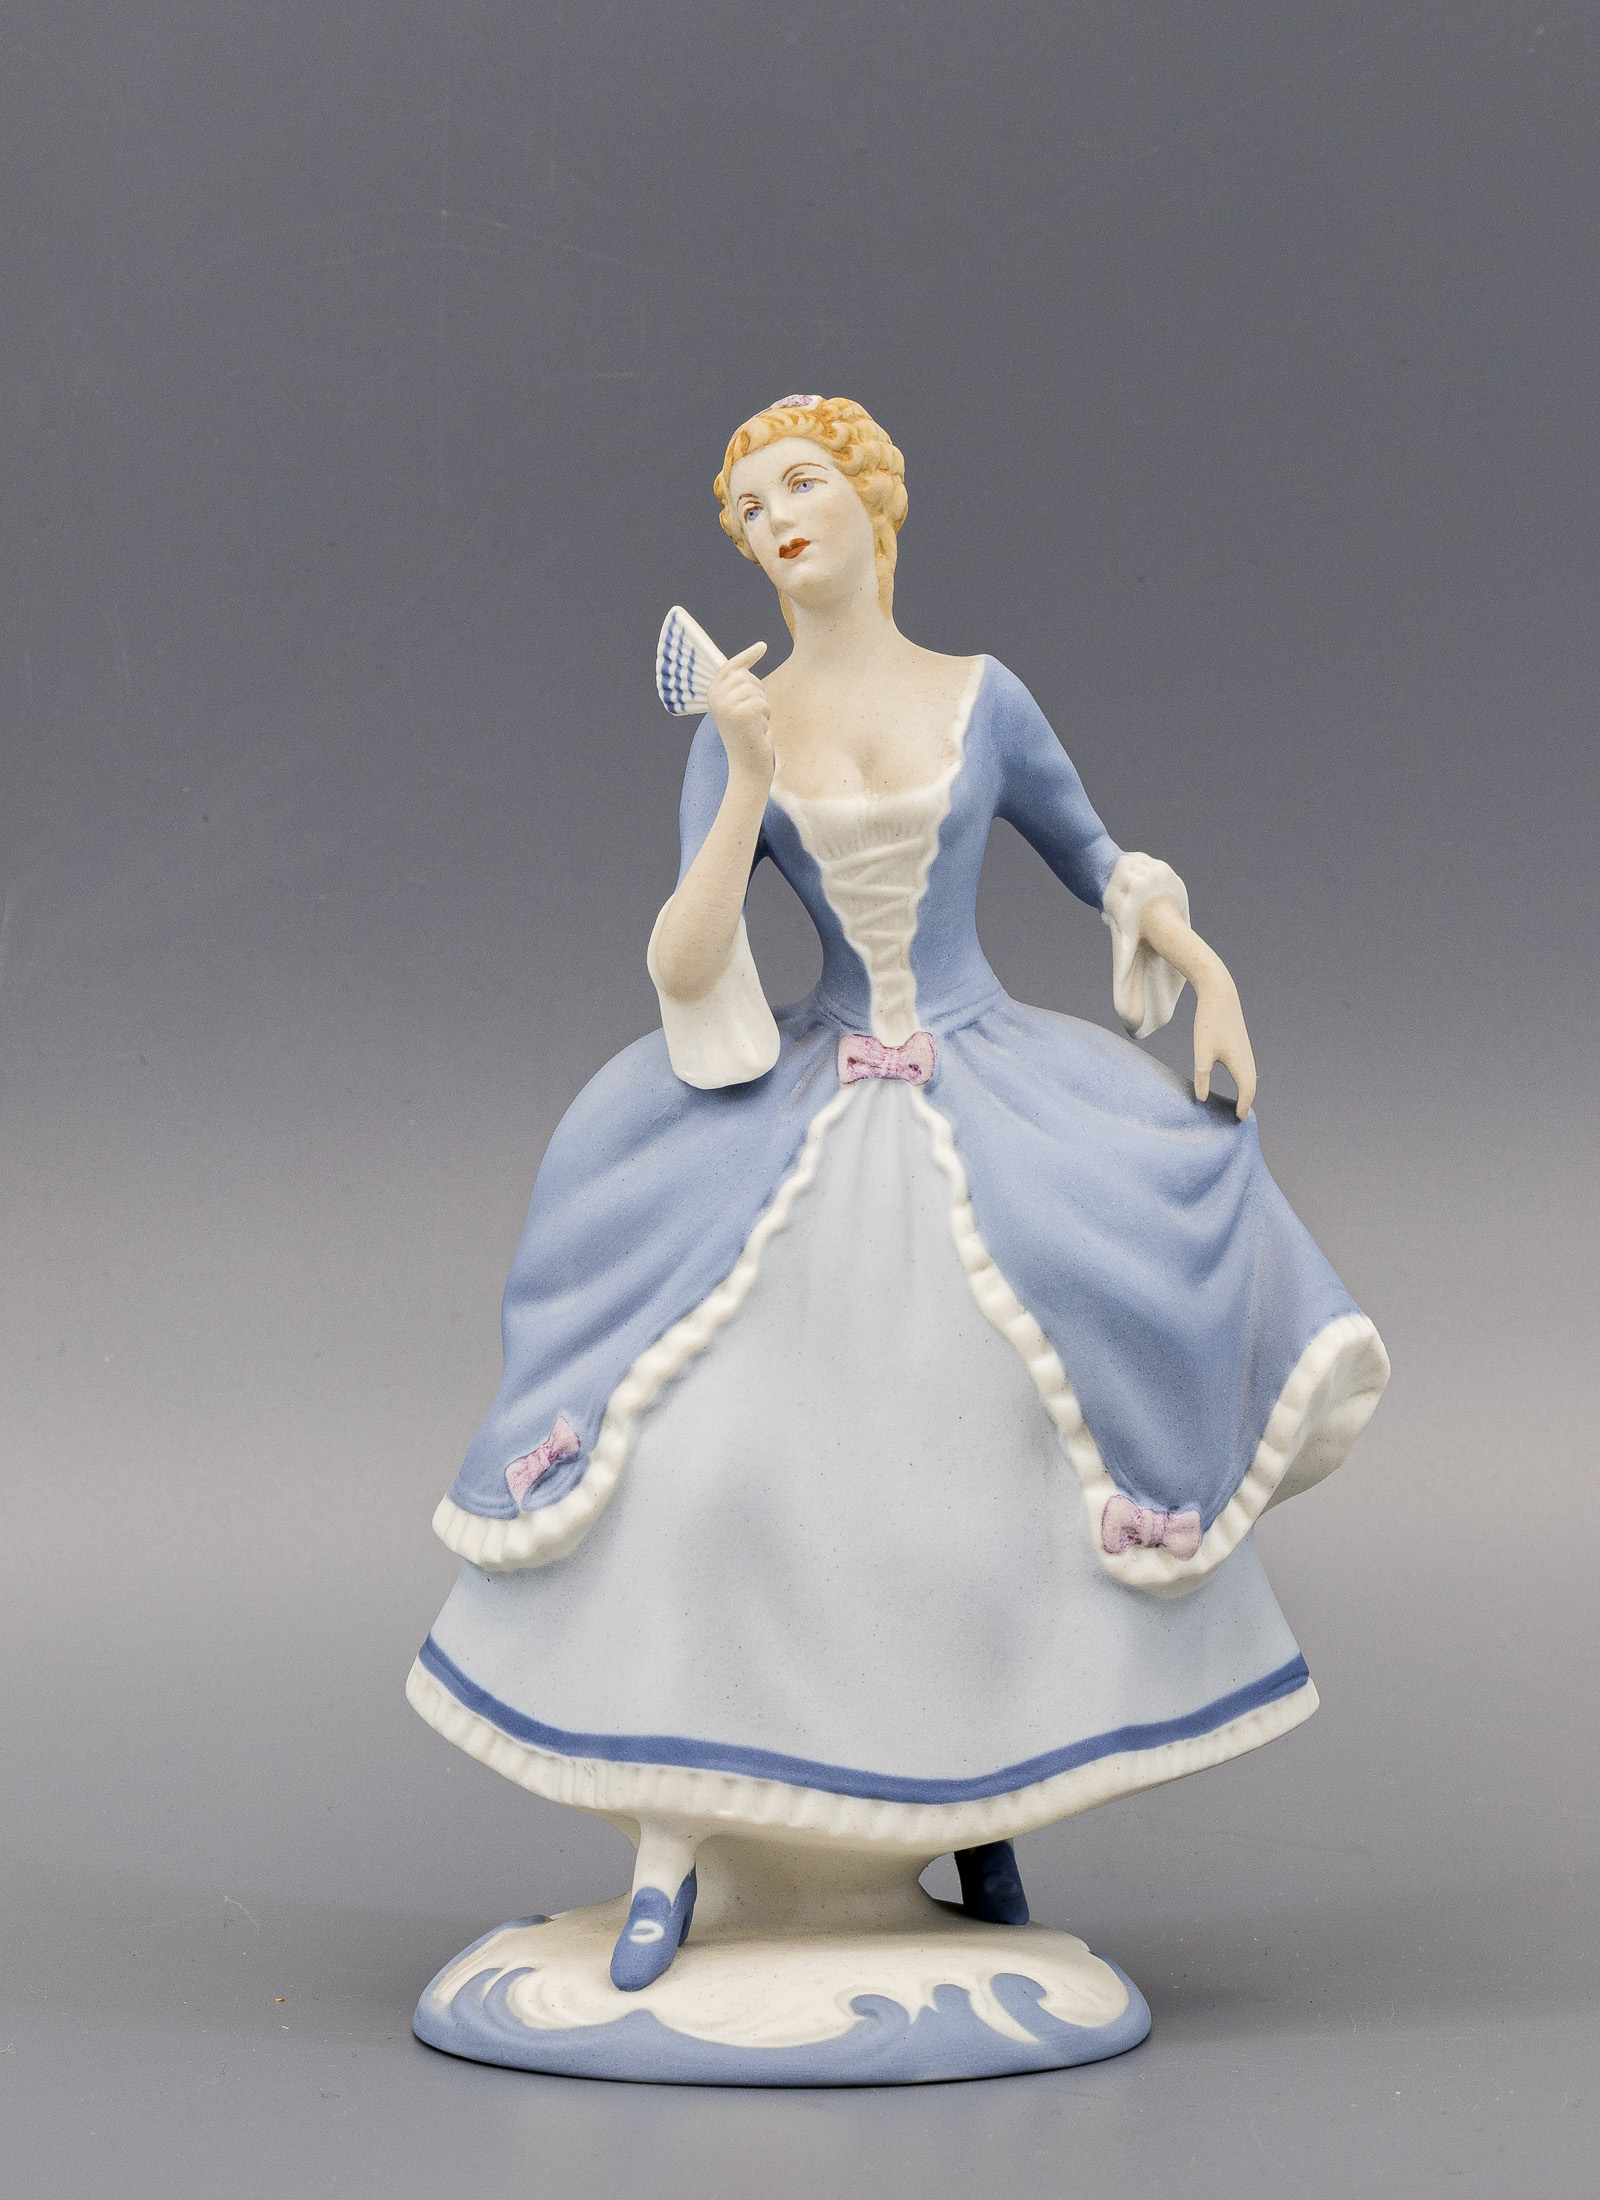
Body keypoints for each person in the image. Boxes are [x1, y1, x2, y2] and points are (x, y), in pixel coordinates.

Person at [408, 395, 1389, 1993]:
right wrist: (742, 772)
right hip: (803, 1107)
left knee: (984, 1471)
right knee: (713, 1462)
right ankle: (675, 1831)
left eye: (800, 484)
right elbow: (686, 961)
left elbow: (1096, 858)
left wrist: (1206, 971)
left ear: (873, 500)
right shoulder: (740, 725)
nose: (775, 520)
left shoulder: (983, 696)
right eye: (748, 509)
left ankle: (973, 1802)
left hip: (988, 1090)